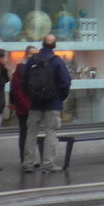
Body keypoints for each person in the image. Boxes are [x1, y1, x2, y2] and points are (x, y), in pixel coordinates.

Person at [21, 35, 71, 173]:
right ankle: (48, 164)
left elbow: (23, 80)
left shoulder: (32, 60)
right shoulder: (57, 61)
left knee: (31, 132)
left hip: (35, 103)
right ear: (54, 46)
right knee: (51, 132)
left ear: (42, 44)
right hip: (52, 103)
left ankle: (28, 163)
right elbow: (65, 82)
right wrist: (60, 97)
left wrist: (30, 95)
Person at [10, 45, 39, 164]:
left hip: (32, 106)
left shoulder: (35, 68)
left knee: (31, 133)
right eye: (31, 54)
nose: (33, 56)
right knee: (25, 133)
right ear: (26, 54)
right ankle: (25, 159)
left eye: (35, 54)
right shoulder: (21, 69)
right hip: (24, 108)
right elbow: (17, 90)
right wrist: (26, 105)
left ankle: (30, 158)